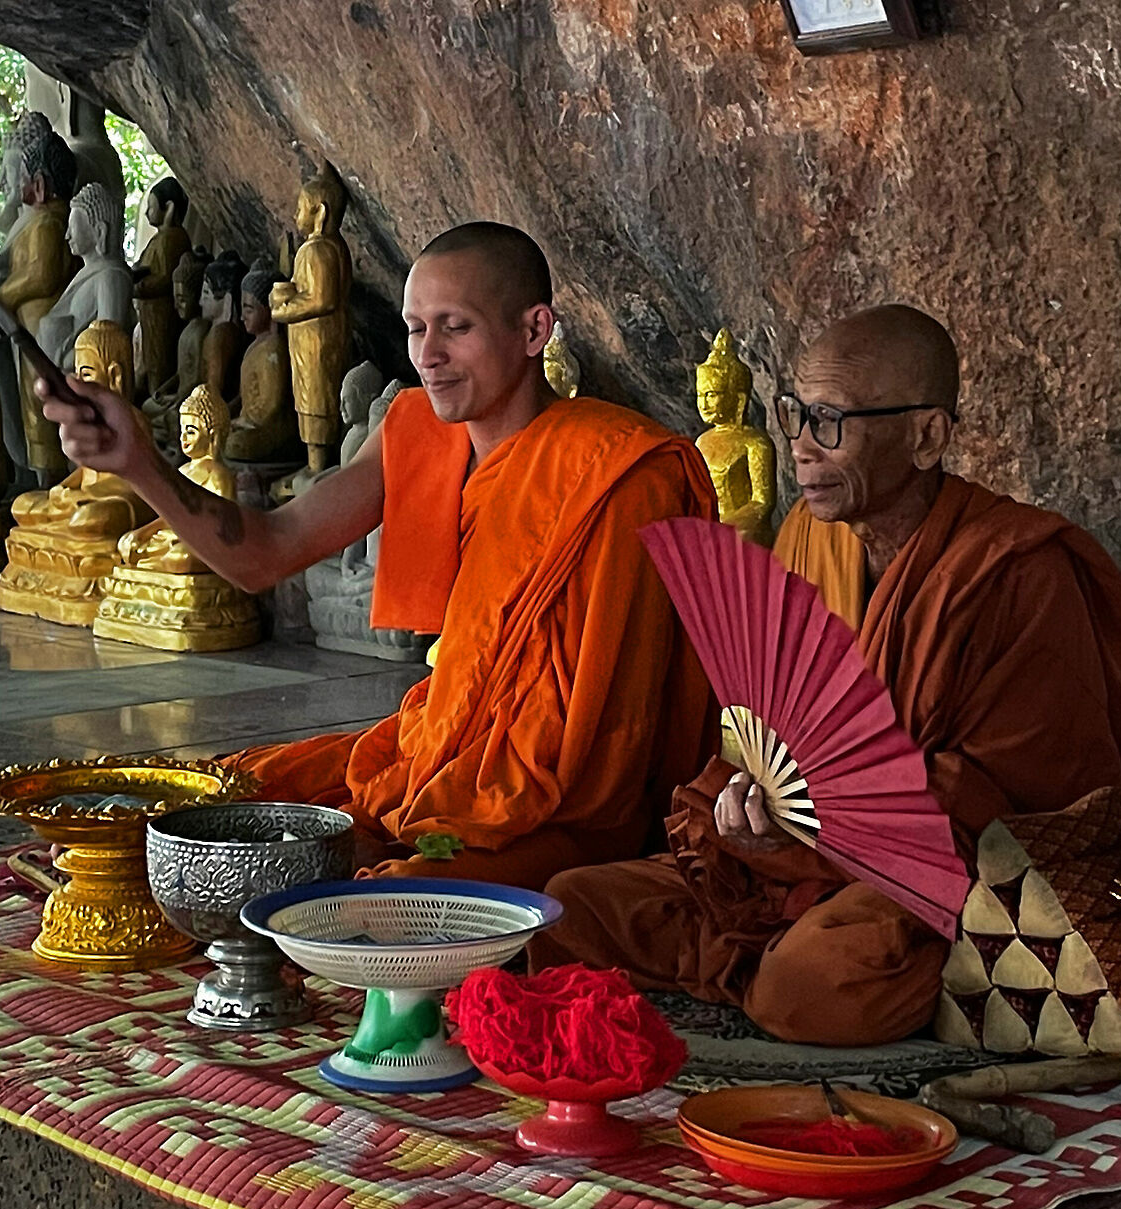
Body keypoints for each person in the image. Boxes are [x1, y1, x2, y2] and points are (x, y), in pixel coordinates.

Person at [534, 305, 1121, 1046]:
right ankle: (765, 953)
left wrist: (823, 823)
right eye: (795, 415)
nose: (799, 448)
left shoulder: (1017, 570)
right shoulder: (807, 538)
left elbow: (1030, 797)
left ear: (926, 437)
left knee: (810, 990)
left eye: (831, 423)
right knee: (570, 906)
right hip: (795, 859)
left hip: (938, 875)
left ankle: (791, 964)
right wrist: (747, 807)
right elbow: (768, 731)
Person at [38, 221, 718, 884]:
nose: (429, 354)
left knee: (398, 889)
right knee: (216, 794)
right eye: (416, 328)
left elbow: (612, 743)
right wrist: (139, 464)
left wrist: (474, 798)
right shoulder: (415, 431)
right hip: (434, 755)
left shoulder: (623, 473)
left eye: (457, 326)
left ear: (533, 331)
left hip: (547, 810)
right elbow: (267, 552)